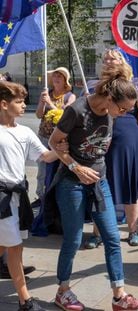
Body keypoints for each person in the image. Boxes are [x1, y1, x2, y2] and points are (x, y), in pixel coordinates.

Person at [48, 63, 138, 311]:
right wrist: (76, 167)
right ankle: (63, 291)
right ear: (111, 99)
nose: (124, 114)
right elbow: (54, 141)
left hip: (99, 182)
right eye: (123, 108)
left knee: (113, 239)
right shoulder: (78, 110)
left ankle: (119, 296)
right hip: (71, 183)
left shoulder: (110, 113)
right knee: (72, 239)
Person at [83, 48, 138, 249]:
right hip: (101, 137)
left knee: (129, 185)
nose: (108, 61)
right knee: (99, 185)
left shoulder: (136, 84)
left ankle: (133, 231)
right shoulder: (93, 85)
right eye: (105, 58)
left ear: (122, 61)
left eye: (113, 58)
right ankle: (97, 233)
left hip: (130, 140)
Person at [0, 81, 59, 310]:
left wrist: (67, 146)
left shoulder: (24, 132)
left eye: (24, 100)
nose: (24, 105)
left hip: (17, 198)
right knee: (14, 247)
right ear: (4, 104)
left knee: (8, 246)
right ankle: (26, 300)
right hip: (1, 198)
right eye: (19, 101)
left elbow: (45, 156)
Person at [34, 67, 76, 207]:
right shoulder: (48, 93)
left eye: (60, 76)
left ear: (65, 81)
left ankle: (55, 198)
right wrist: (42, 102)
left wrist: (50, 104)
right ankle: (41, 196)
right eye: (55, 76)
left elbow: (65, 115)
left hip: (59, 139)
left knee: (57, 169)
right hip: (44, 136)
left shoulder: (70, 96)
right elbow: (39, 115)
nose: (56, 78)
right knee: (42, 168)